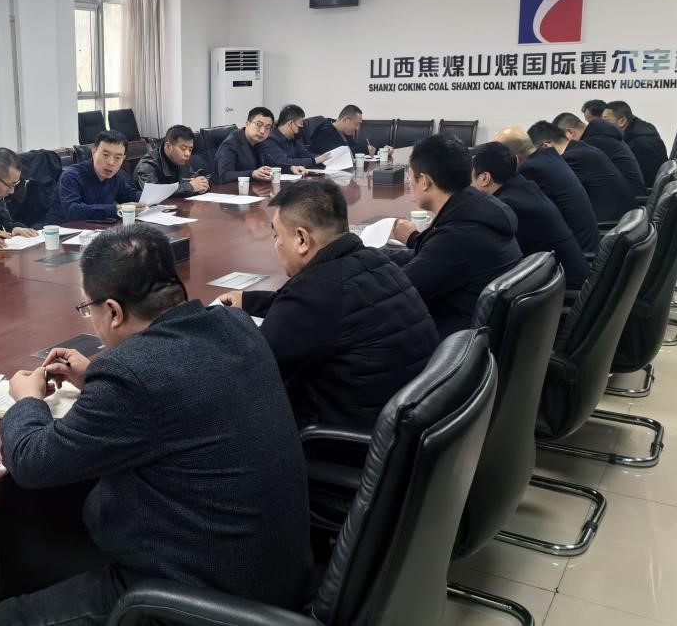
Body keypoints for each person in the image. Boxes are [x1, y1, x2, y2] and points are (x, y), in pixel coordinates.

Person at [0, 225, 313, 625]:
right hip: (278, 571)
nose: (92, 319)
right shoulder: (235, 323)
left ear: (114, 311)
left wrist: (28, 400)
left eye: (88, 309)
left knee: (6, 618)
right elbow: (183, 387)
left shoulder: (132, 377)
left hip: (205, 596)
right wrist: (94, 379)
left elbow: (32, 462)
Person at [217, 179, 439, 428]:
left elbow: (249, 366)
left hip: (345, 438)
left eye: (276, 235)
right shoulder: (375, 260)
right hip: (405, 423)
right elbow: (317, 306)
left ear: (302, 239)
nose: (276, 244)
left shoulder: (315, 293)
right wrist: (248, 301)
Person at [387, 135, 522, 336]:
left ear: (424, 181)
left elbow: (394, 292)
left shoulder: (458, 237)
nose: (409, 184)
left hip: (453, 342)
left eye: (411, 177)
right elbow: (425, 256)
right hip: (479, 332)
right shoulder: (480, 207)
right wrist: (373, 256)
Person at [471, 143, 589, 289]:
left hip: (563, 290)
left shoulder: (507, 206)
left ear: (485, 178)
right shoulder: (523, 186)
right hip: (565, 281)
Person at [494, 126, 599, 253]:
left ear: (513, 157)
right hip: (585, 242)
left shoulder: (530, 170)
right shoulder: (548, 155)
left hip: (580, 249)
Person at [528, 121, 636, 224]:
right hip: (622, 219)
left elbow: (551, 195)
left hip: (608, 225)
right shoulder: (582, 149)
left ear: (545, 146)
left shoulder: (572, 159)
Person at [46, 131, 143, 224]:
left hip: (96, 228)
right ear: (94, 152)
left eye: (118, 157)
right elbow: (73, 211)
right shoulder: (71, 175)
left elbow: (131, 196)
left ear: (123, 159)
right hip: (63, 230)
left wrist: (149, 198)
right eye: (105, 155)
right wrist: (116, 209)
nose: (111, 162)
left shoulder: (116, 176)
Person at [553, 111, 645, 195]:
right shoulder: (601, 137)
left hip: (627, 199)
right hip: (630, 196)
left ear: (570, 132)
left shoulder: (591, 145)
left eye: (560, 140)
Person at [603, 101, 668, 187]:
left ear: (622, 121)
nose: (602, 125)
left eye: (606, 121)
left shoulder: (639, 144)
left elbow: (642, 180)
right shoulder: (638, 131)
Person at [134, 124, 210, 195]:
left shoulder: (181, 160)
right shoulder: (148, 164)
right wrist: (189, 187)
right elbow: (152, 192)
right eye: (183, 148)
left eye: (190, 149)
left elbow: (192, 179)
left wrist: (203, 184)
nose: (187, 154)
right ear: (168, 146)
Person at [214, 106, 277, 184]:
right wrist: (252, 174)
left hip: (252, 187)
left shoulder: (259, 142)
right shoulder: (231, 144)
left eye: (268, 127)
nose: (262, 131)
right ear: (247, 123)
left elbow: (272, 163)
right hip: (229, 189)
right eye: (258, 124)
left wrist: (290, 167)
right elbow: (225, 176)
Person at [260, 104, 324, 173]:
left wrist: (322, 158)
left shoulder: (292, 138)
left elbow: (305, 155)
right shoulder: (270, 139)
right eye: (301, 124)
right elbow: (283, 161)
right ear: (290, 123)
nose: (302, 127)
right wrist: (314, 161)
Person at [307, 104, 372, 157]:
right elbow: (339, 155)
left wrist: (368, 149)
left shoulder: (345, 133)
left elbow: (353, 147)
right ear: (346, 120)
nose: (357, 128)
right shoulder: (324, 132)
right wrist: (365, 149)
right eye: (356, 124)